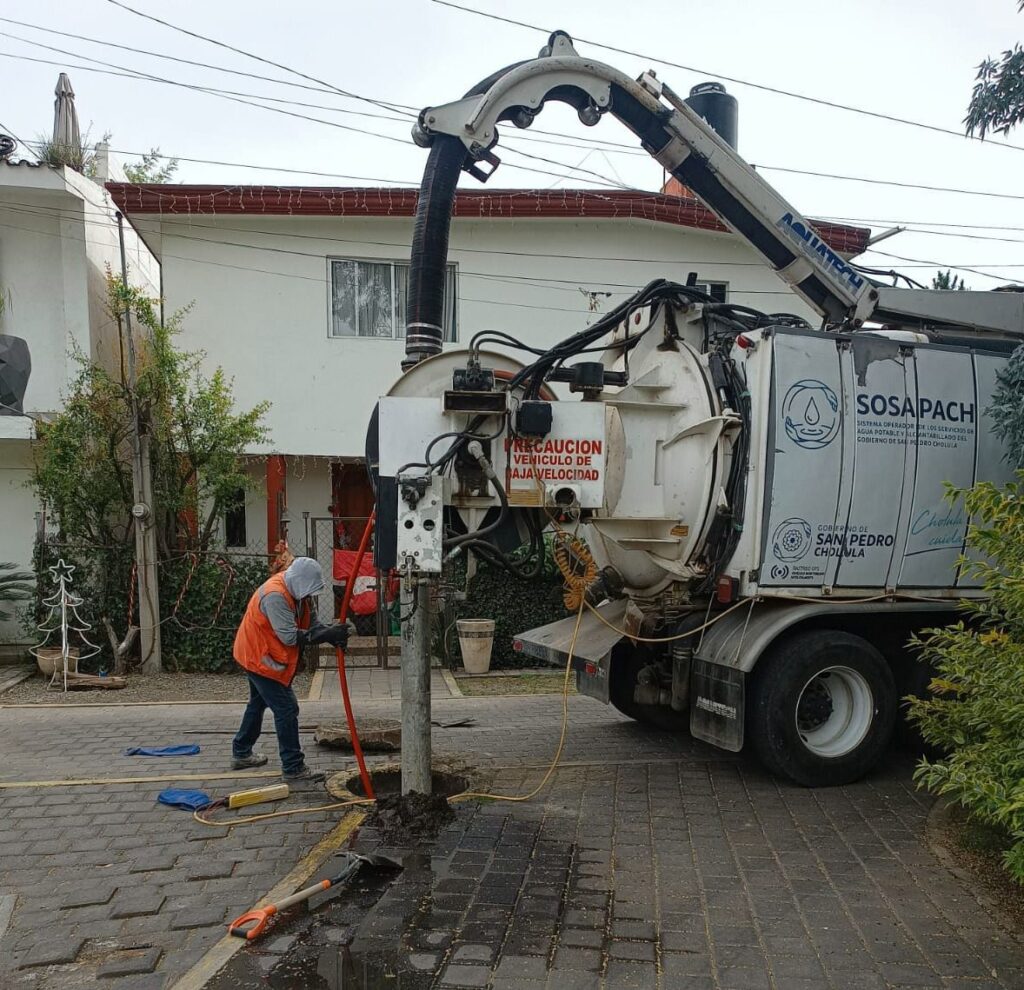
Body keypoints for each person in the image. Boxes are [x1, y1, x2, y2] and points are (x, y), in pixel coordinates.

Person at [231, 557, 348, 780]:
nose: (310, 596)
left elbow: (313, 625)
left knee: (258, 703)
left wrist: (330, 634)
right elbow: (289, 637)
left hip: (258, 653)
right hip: (260, 657)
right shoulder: (275, 596)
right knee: (286, 708)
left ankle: (241, 752)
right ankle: (293, 767)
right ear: (299, 582)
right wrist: (327, 634)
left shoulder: (300, 593)